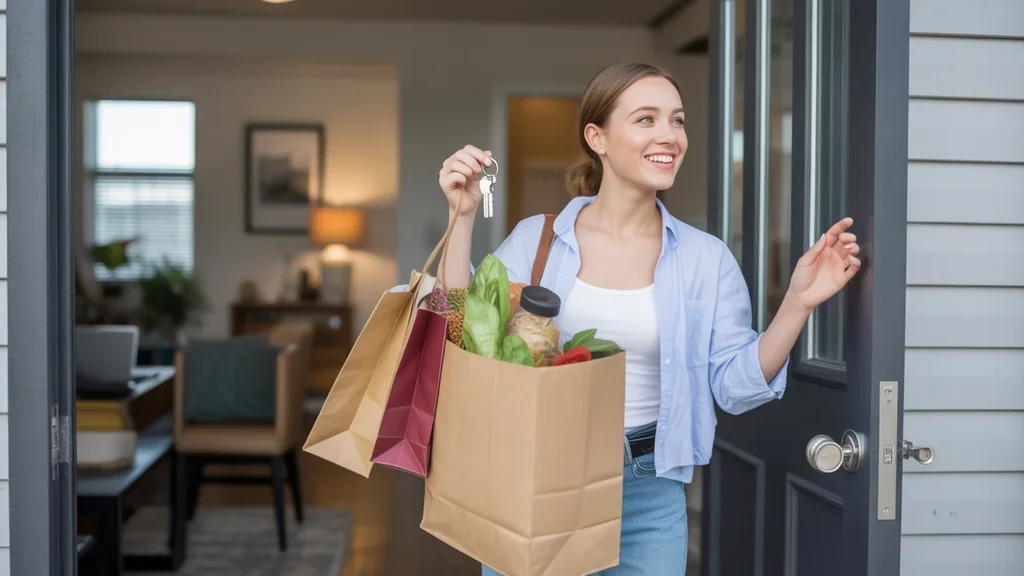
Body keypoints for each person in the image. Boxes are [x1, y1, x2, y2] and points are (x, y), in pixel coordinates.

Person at [436, 62, 861, 575]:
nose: (669, 136)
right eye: (646, 119)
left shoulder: (706, 259)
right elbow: (461, 327)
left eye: (677, 121)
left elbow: (733, 386)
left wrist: (796, 303)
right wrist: (461, 219)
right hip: (536, 478)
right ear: (598, 137)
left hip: (649, 491)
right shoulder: (539, 240)